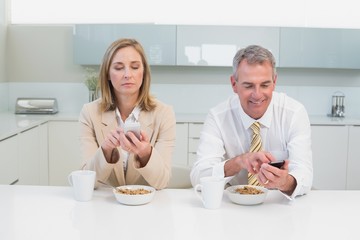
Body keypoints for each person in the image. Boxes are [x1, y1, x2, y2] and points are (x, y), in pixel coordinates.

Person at [190, 45, 313, 199]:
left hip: (277, 205)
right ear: (234, 84)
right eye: (248, 86)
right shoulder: (218, 117)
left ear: (274, 82)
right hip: (233, 206)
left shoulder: (294, 113)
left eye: (265, 85)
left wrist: (285, 182)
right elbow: (199, 177)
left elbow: (305, 175)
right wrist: (239, 162)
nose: (257, 95)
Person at [79, 38, 176, 190]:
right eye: (118, 68)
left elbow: (162, 182)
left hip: (145, 204)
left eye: (135, 67)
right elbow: (87, 181)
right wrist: (105, 150)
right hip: (104, 204)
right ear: (108, 75)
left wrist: (146, 154)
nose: (127, 74)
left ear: (143, 72)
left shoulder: (164, 113)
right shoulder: (89, 113)